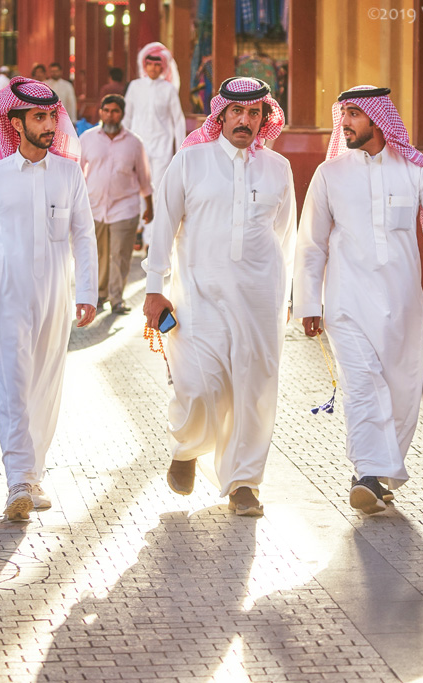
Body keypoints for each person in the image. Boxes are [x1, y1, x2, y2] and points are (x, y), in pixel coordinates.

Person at [293, 85, 423, 514]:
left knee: (400, 392)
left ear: (379, 120)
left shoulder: (414, 171)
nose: (345, 122)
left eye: (355, 114)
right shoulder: (330, 175)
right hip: (346, 302)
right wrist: (308, 303)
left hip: (401, 305)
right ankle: (364, 473)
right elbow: (311, 244)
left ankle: (378, 475)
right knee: (362, 387)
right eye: (344, 113)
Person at [142, 77, 296, 517]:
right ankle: (188, 448)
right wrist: (155, 288)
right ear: (221, 115)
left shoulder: (278, 168)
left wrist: (287, 299)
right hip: (198, 296)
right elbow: (164, 225)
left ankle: (244, 482)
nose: (245, 121)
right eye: (237, 113)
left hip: (259, 300)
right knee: (198, 383)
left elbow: (285, 238)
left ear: (264, 118)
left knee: (254, 390)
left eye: (254, 114)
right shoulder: (190, 162)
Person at [0, 77, 98, 522]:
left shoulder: (69, 173)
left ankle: (33, 474)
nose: (49, 124)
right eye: (38, 117)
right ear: (15, 123)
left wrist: (87, 292)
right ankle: (17, 479)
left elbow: (83, 234)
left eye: (51, 116)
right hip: (6, 293)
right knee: (13, 384)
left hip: (56, 294)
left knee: (46, 383)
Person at [80, 94, 153, 314]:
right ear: (100, 112)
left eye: (115, 111)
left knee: (120, 255)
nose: (111, 115)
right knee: (99, 254)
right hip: (93, 207)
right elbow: (76, 172)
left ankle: (117, 298)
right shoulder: (86, 138)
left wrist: (149, 205)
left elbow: (144, 176)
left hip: (125, 207)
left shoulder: (134, 142)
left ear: (122, 114)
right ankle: (100, 295)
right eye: (107, 110)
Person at [123, 42, 186, 244]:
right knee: (137, 187)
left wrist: (181, 149)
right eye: (149, 64)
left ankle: (152, 238)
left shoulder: (168, 90)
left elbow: (178, 120)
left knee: (158, 189)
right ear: (144, 65)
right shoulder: (135, 87)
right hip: (137, 145)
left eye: (157, 65)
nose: (153, 68)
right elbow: (127, 116)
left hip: (162, 147)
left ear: (163, 67)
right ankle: (140, 229)